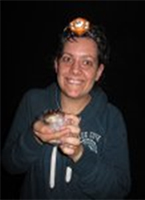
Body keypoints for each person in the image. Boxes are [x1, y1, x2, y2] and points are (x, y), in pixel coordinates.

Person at [2, 17, 131, 199]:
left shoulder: (111, 117)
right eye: (67, 59)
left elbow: (118, 190)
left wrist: (80, 155)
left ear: (99, 72)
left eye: (86, 62)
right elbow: (9, 165)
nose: (75, 70)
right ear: (56, 64)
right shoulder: (32, 101)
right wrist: (35, 138)